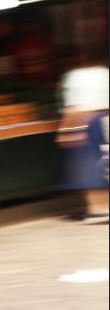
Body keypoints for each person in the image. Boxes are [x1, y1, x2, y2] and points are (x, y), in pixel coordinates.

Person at [58, 49, 109, 224]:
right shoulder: (103, 72)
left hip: (87, 123)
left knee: (88, 167)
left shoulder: (73, 76)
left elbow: (72, 108)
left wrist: (64, 131)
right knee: (103, 163)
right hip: (104, 119)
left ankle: (98, 210)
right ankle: (101, 208)